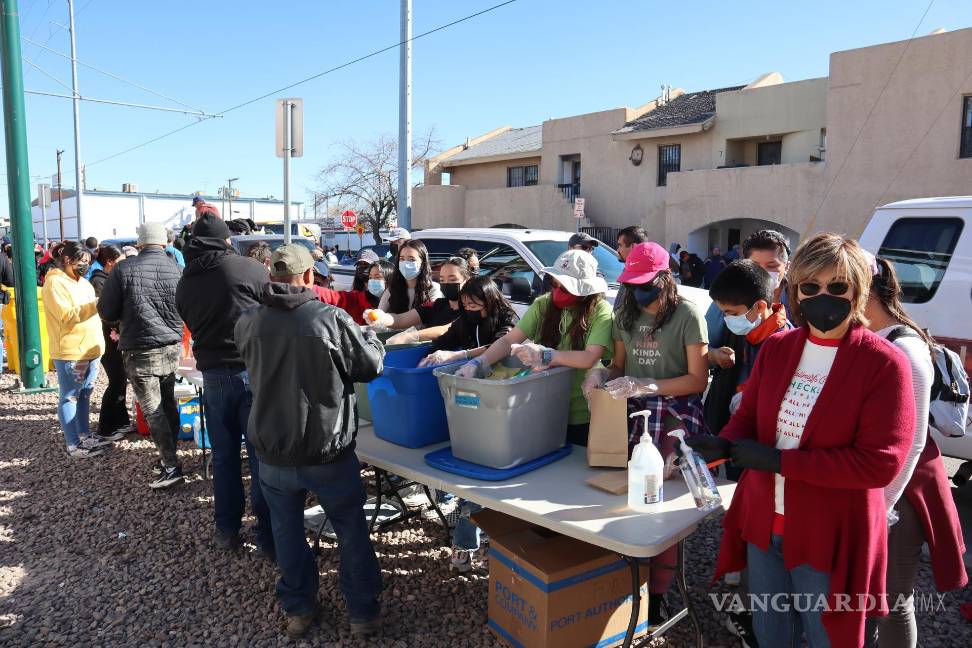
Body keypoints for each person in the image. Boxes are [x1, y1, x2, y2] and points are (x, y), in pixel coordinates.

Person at [689, 233, 917, 648]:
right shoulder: (779, 348)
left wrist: (780, 462)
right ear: (794, 291)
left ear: (858, 291)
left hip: (828, 532)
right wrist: (724, 443)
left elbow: (880, 463)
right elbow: (751, 417)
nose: (822, 296)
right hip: (765, 525)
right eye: (810, 287)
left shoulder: (884, 363)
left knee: (827, 636)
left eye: (837, 286)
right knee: (771, 634)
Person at [235, 244, 384, 639]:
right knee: (350, 528)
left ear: (272, 277)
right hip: (327, 449)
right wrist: (371, 337)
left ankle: (299, 608)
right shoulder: (330, 319)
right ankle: (362, 612)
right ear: (308, 278)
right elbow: (371, 366)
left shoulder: (248, 321)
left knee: (286, 530)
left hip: (273, 447)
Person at [582, 241, 709, 626]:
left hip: (674, 413)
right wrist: (601, 374)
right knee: (620, 499)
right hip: (634, 412)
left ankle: (658, 596)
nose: (638, 291)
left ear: (665, 278)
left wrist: (650, 386)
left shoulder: (687, 315)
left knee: (662, 508)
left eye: (645, 283)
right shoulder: (625, 312)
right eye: (632, 283)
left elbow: (697, 379)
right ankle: (624, 584)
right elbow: (619, 363)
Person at [862, 254, 967, 648]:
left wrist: (883, 504)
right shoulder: (871, 334)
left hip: (904, 487)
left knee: (892, 597)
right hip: (882, 481)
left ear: (865, 290)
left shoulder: (904, 347)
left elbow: (914, 438)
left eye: (839, 287)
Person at [703, 259, 792, 646]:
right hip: (747, 453)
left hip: (772, 464)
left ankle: (765, 624)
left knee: (770, 553)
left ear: (760, 306)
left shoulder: (782, 343)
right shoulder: (750, 335)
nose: (728, 320)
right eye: (723, 313)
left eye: (732, 313)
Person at [176, 213, 274, 555]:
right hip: (253, 371)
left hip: (213, 375)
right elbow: (272, 308)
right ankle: (267, 535)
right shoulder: (249, 269)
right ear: (225, 240)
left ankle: (227, 530)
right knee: (262, 456)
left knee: (224, 457)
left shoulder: (186, 280)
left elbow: (186, 319)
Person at [456, 249, 613, 446]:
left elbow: (590, 357)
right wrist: (480, 361)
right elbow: (508, 341)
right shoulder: (543, 304)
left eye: (564, 287)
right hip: (541, 405)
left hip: (581, 411)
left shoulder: (601, 310)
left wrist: (548, 356)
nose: (556, 291)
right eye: (554, 284)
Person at [418, 276, 518, 572]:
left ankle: (479, 539)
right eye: (465, 304)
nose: (470, 308)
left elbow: (502, 345)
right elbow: (444, 340)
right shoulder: (465, 321)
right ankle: (467, 540)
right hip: (465, 401)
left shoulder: (508, 319)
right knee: (467, 476)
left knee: (484, 480)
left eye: (476, 303)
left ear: (490, 298)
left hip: (498, 402)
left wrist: (462, 355)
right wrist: (432, 352)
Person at [98, 222, 185, 489]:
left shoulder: (124, 269)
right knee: (167, 402)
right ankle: (170, 455)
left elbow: (106, 310)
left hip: (140, 347)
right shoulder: (176, 269)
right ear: (164, 242)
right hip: (171, 345)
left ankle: (170, 466)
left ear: (140, 243)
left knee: (152, 408)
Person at [42, 241, 108, 458]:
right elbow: (66, 315)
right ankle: (73, 443)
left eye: (88, 262)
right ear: (67, 260)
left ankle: (84, 434)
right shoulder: (55, 283)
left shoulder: (84, 283)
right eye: (81, 261)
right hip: (72, 351)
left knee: (86, 393)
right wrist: (97, 304)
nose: (85, 266)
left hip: (91, 348)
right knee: (70, 396)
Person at [706, 229, 792, 350]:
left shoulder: (798, 303)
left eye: (771, 266)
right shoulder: (727, 300)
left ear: (787, 266)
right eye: (755, 266)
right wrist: (714, 355)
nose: (762, 272)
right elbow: (704, 344)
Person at [365, 256, 473, 342]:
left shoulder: (472, 308)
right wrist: (381, 317)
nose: (446, 284)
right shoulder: (436, 305)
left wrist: (411, 336)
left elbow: (446, 329)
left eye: (452, 279)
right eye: (442, 280)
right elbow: (400, 319)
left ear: (467, 280)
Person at [89, 245, 132, 439]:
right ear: (110, 261)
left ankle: (121, 421)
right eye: (119, 261)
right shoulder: (98, 281)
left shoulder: (108, 279)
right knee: (116, 380)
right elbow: (104, 313)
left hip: (115, 337)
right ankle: (106, 427)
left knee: (121, 380)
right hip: (107, 338)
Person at [377, 239, 442, 314]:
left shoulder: (433, 288)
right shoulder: (392, 289)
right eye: (402, 259)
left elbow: (434, 314)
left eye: (411, 259)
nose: (405, 263)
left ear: (423, 263)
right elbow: (379, 313)